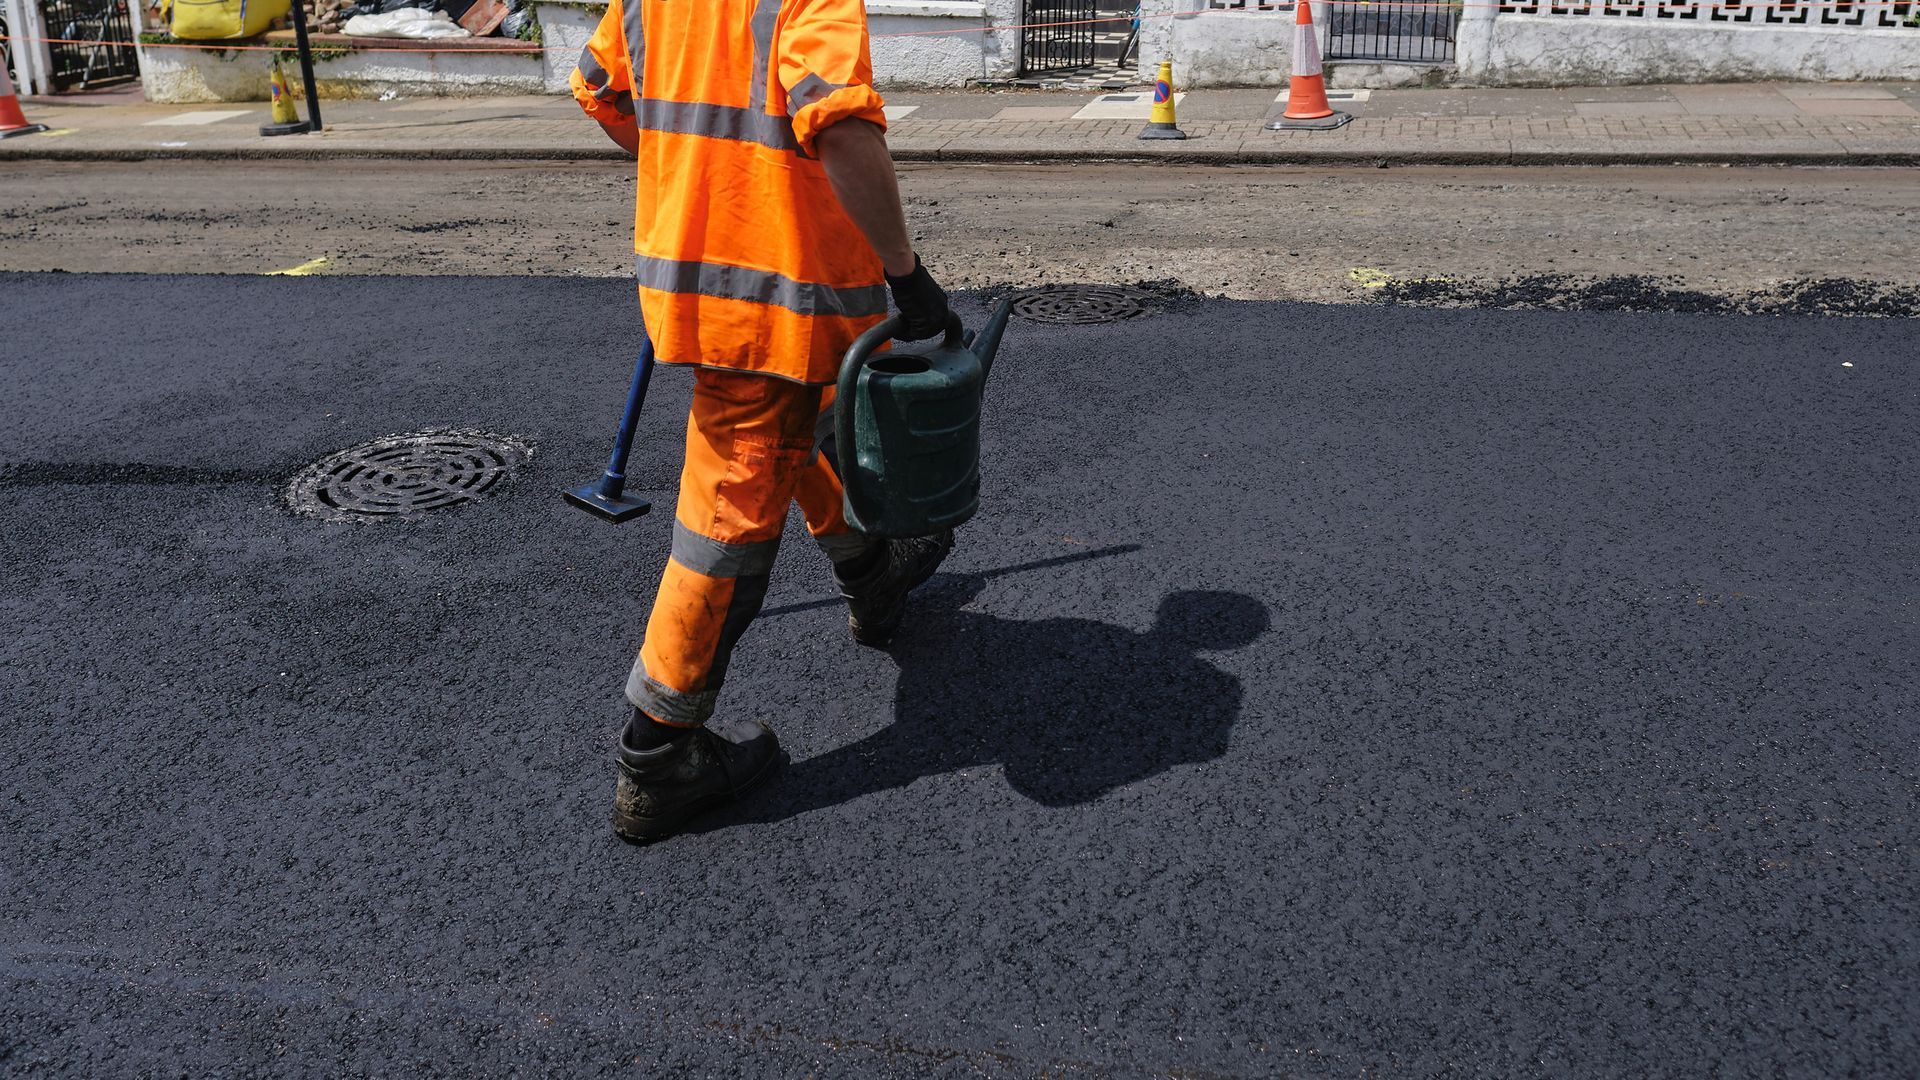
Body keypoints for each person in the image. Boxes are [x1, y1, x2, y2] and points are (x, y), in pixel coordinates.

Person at [570, 0, 956, 843]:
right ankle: (659, 751)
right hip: (778, 286)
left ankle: (870, 569)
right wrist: (907, 273)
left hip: (699, 274)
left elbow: (600, 91)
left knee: (803, 422)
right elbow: (842, 128)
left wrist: (693, 177)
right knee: (731, 504)